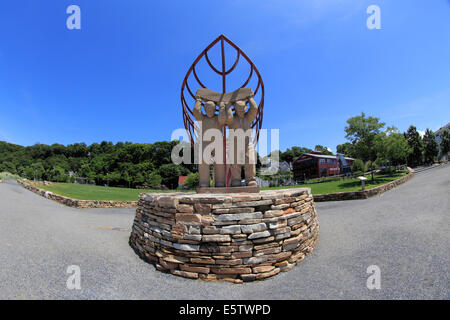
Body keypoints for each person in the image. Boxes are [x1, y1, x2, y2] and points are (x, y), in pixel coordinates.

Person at [192, 99, 227, 187]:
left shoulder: (218, 118)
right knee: (203, 162)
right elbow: (196, 112)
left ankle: (220, 182)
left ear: (215, 110)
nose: (210, 111)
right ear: (204, 110)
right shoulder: (202, 118)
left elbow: (223, 118)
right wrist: (198, 100)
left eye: (212, 110)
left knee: (219, 162)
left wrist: (222, 106)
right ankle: (204, 182)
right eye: (207, 110)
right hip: (205, 141)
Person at [227, 97, 258, 187]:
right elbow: (228, 117)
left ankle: (250, 179)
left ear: (245, 107)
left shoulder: (248, 117)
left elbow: (255, 108)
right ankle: (236, 179)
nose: (240, 111)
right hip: (235, 142)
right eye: (238, 109)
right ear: (235, 109)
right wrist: (229, 104)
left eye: (242, 108)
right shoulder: (232, 119)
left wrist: (250, 98)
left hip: (247, 142)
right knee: (235, 162)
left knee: (250, 160)